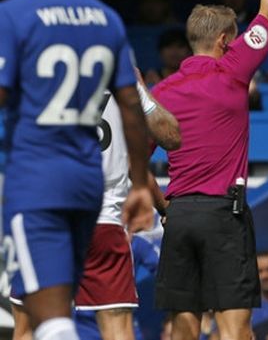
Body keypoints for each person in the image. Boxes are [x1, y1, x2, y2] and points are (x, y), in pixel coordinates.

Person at [0, 0, 154, 340]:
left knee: (45, 320)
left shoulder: (12, 15)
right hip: (90, 184)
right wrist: (142, 182)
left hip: (35, 178)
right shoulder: (105, 17)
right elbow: (131, 106)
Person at [151, 0, 268, 340]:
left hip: (179, 214)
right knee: (234, 328)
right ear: (227, 41)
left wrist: (164, 209)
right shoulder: (234, 68)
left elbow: (137, 164)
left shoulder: (162, 93)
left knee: (182, 327)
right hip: (222, 215)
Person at [12, 78, 181, 340]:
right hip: (103, 220)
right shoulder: (120, 72)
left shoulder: (39, 68)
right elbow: (170, 136)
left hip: (47, 218)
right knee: (118, 330)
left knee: (29, 329)